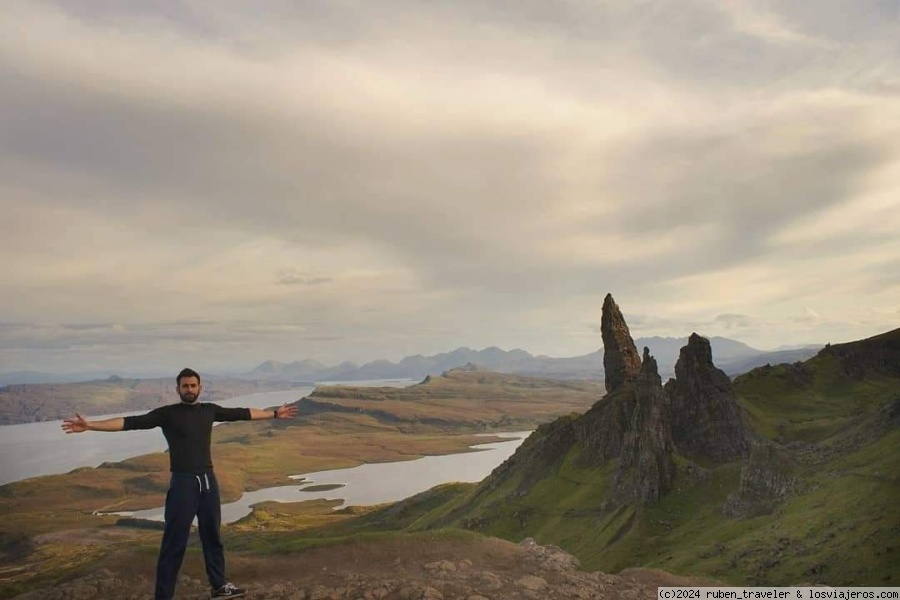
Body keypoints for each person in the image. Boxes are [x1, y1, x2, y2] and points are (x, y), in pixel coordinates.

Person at [62, 367, 298, 600]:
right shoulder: (168, 414)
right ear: (178, 389)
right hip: (183, 484)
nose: (189, 389)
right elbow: (130, 422)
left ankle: (219, 586)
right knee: (174, 543)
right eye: (185, 386)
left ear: (200, 388)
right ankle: (163, 596)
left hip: (208, 482)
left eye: (193, 385)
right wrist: (91, 425)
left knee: (213, 537)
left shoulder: (210, 410)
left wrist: (274, 414)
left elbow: (242, 413)